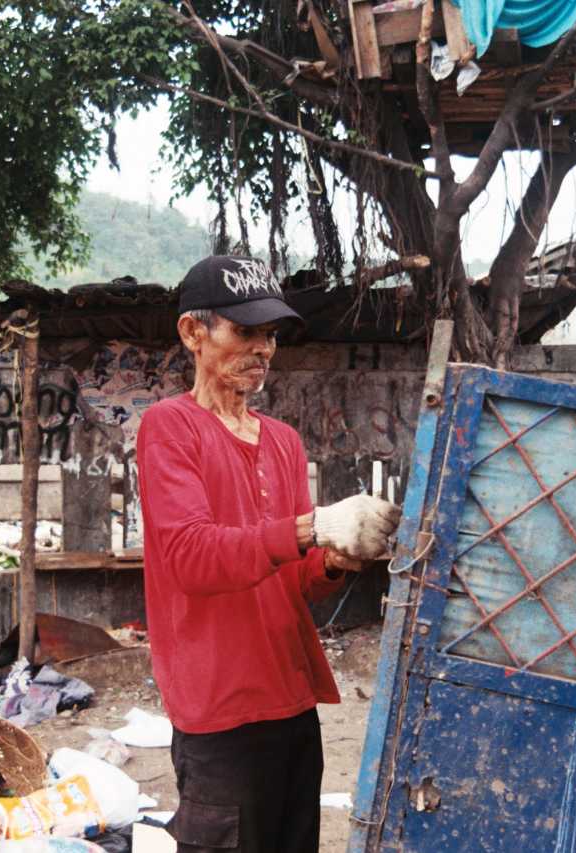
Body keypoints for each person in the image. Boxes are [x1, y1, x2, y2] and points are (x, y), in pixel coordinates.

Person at [136, 255, 402, 853]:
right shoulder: (169, 427)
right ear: (193, 332)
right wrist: (316, 526)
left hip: (290, 697)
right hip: (220, 708)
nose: (263, 349)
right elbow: (192, 557)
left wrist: (335, 556)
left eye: (271, 335)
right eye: (245, 331)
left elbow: (294, 578)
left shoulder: (283, 441)